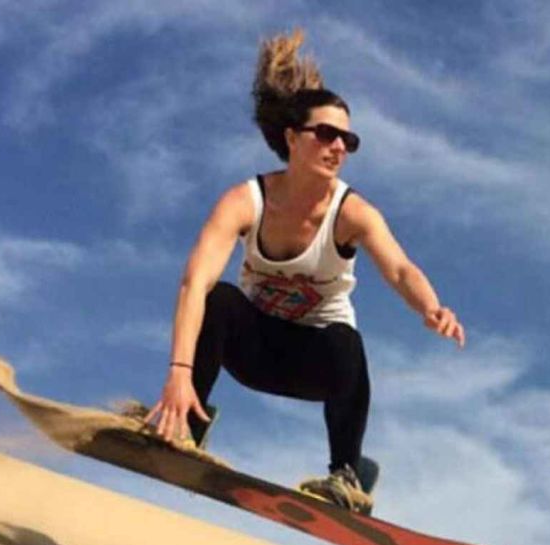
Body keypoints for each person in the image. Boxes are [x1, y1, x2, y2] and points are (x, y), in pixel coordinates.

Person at [145, 29, 465, 514]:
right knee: (220, 300)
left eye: (348, 140)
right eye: (326, 135)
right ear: (292, 138)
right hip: (252, 350)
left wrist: (431, 307)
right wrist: (179, 374)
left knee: (346, 342)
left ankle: (347, 475)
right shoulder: (246, 201)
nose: (338, 147)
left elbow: (400, 269)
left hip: (318, 364)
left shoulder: (352, 213)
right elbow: (194, 282)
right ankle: (186, 424)